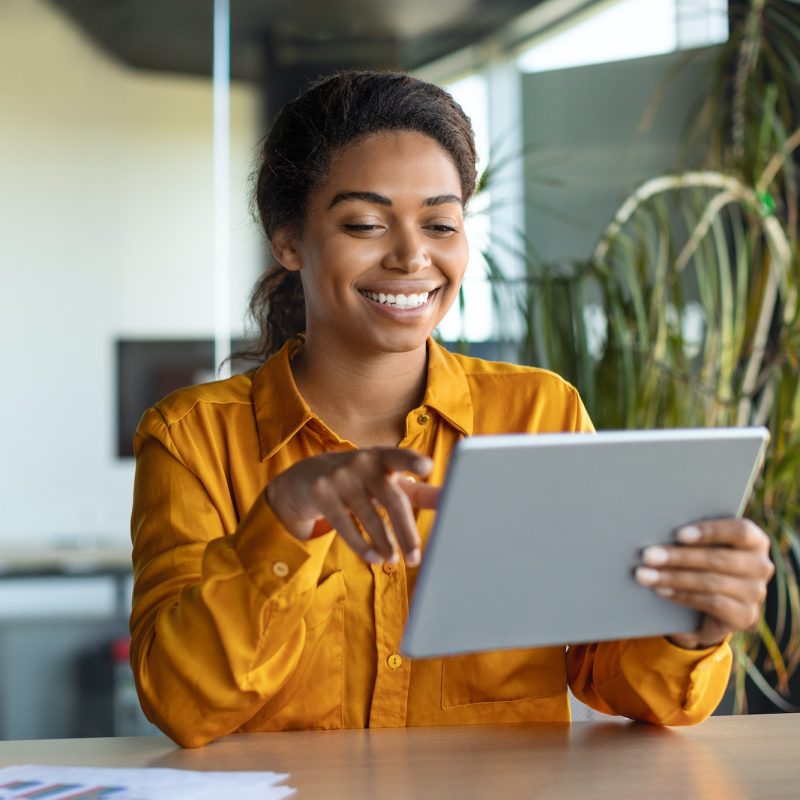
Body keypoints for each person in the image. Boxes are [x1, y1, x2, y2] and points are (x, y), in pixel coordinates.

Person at [130, 71, 774, 748]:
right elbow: (181, 703)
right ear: (288, 240)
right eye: (365, 224)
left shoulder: (539, 413)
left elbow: (617, 679)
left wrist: (688, 625)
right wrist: (285, 519)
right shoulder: (191, 438)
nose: (413, 256)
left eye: (440, 224)